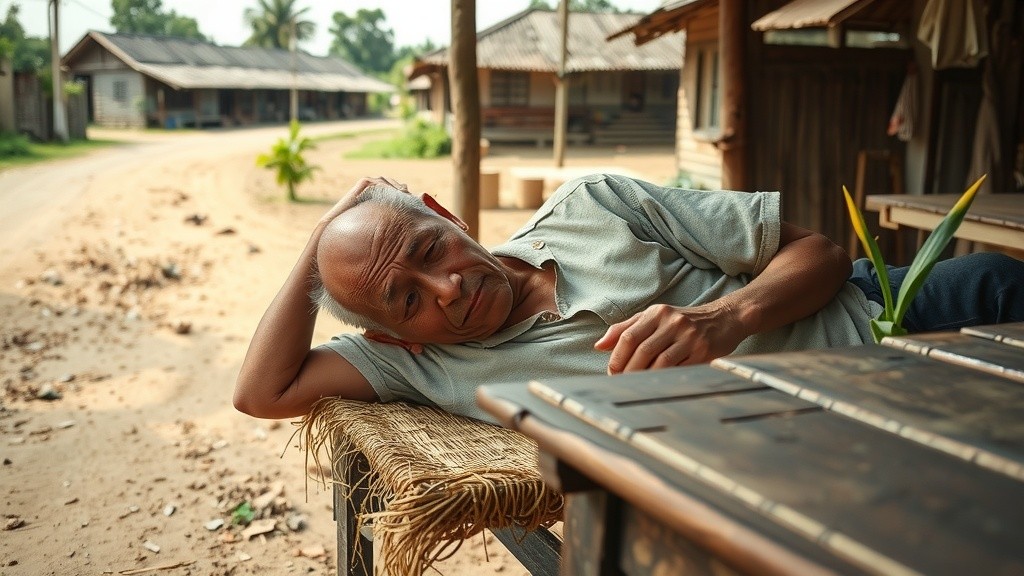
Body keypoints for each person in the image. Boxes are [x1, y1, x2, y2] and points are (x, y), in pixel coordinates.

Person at [234, 174, 1024, 422]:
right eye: (408, 301)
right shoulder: (425, 367)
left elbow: (820, 253)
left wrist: (725, 318)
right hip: (819, 431)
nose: (448, 287)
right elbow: (260, 392)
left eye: (428, 249)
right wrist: (323, 234)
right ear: (396, 339)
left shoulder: (593, 204)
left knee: (1003, 281)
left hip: (885, 319)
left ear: (447, 216)